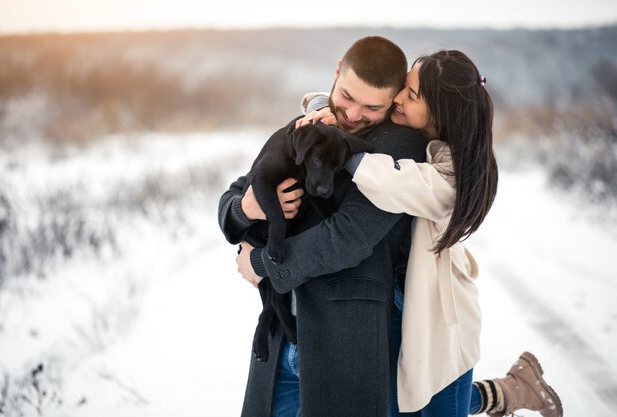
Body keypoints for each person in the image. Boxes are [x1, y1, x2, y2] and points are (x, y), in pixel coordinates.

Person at [300, 50, 563, 417]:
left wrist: (335, 143)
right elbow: (353, 106)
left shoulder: (452, 172)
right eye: (403, 88)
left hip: (438, 317)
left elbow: (394, 183)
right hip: (393, 301)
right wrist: (322, 107)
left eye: (412, 95)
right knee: (401, 401)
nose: (398, 99)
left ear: (440, 112)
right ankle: (510, 389)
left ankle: (514, 390)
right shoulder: (408, 136)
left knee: (430, 402)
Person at [218, 36, 428, 417]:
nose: (351, 114)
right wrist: (245, 208)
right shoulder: (309, 126)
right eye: (347, 96)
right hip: (283, 336)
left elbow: (348, 237)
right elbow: (238, 192)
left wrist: (262, 263)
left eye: (371, 107)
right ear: (336, 72)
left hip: (344, 340)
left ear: (395, 98)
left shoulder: (397, 148)